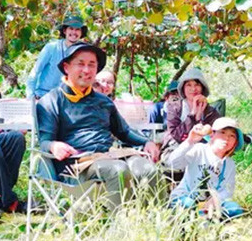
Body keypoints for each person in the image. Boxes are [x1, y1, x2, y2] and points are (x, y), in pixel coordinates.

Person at [35, 42, 160, 208]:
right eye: (80, 64)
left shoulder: (104, 101)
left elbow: (124, 132)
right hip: (77, 165)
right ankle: (120, 229)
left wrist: (146, 142)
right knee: (118, 170)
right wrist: (53, 145)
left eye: (91, 65)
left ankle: (155, 225)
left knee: (146, 169)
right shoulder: (51, 101)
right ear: (66, 67)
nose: (86, 70)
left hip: (109, 155)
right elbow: (44, 141)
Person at [168, 117, 246, 220]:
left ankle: (205, 218)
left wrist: (215, 200)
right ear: (212, 135)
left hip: (211, 203)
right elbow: (173, 163)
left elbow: (227, 190)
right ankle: (198, 218)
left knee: (235, 209)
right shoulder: (199, 149)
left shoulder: (229, 164)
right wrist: (190, 141)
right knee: (189, 205)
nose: (227, 138)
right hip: (186, 197)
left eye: (232, 136)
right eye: (222, 133)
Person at [162, 67, 221, 170]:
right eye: (189, 85)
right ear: (183, 89)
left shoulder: (210, 111)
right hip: (176, 147)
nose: (193, 89)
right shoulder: (174, 107)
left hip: (202, 149)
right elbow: (177, 135)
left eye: (197, 85)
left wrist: (200, 118)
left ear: (202, 88)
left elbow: (218, 133)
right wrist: (193, 114)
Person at [0, 86, 28, 216]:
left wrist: (19, 128)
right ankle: (9, 200)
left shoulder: (4, 114)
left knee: (18, 138)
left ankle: (0, 194)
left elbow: (12, 131)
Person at [27, 15, 88, 100]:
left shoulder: (83, 51)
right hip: (44, 96)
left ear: (81, 33)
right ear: (64, 31)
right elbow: (35, 71)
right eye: (71, 28)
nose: (74, 32)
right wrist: (30, 97)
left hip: (68, 100)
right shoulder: (51, 47)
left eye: (77, 29)